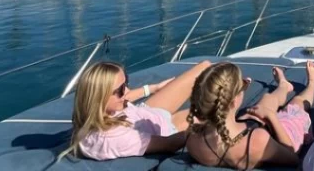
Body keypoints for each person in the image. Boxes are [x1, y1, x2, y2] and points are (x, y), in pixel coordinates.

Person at [61, 59, 212, 160]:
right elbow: (169, 143)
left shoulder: (96, 111)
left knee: (206, 67)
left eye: (125, 82)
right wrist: (198, 127)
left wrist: (153, 89)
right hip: (165, 127)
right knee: (213, 108)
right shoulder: (112, 138)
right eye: (120, 90)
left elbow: (124, 99)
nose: (126, 91)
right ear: (99, 97)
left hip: (145, 111)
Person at [186, 60, 314, 169]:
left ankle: (284, 86)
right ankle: (312, 84)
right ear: (234, 101)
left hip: (247, 126)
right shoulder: (257, 140)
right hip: (281, 135)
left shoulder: (193, 140)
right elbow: (293, 158)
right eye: (243, 85)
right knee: (298, 103)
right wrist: (271, 117)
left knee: (266, 100)